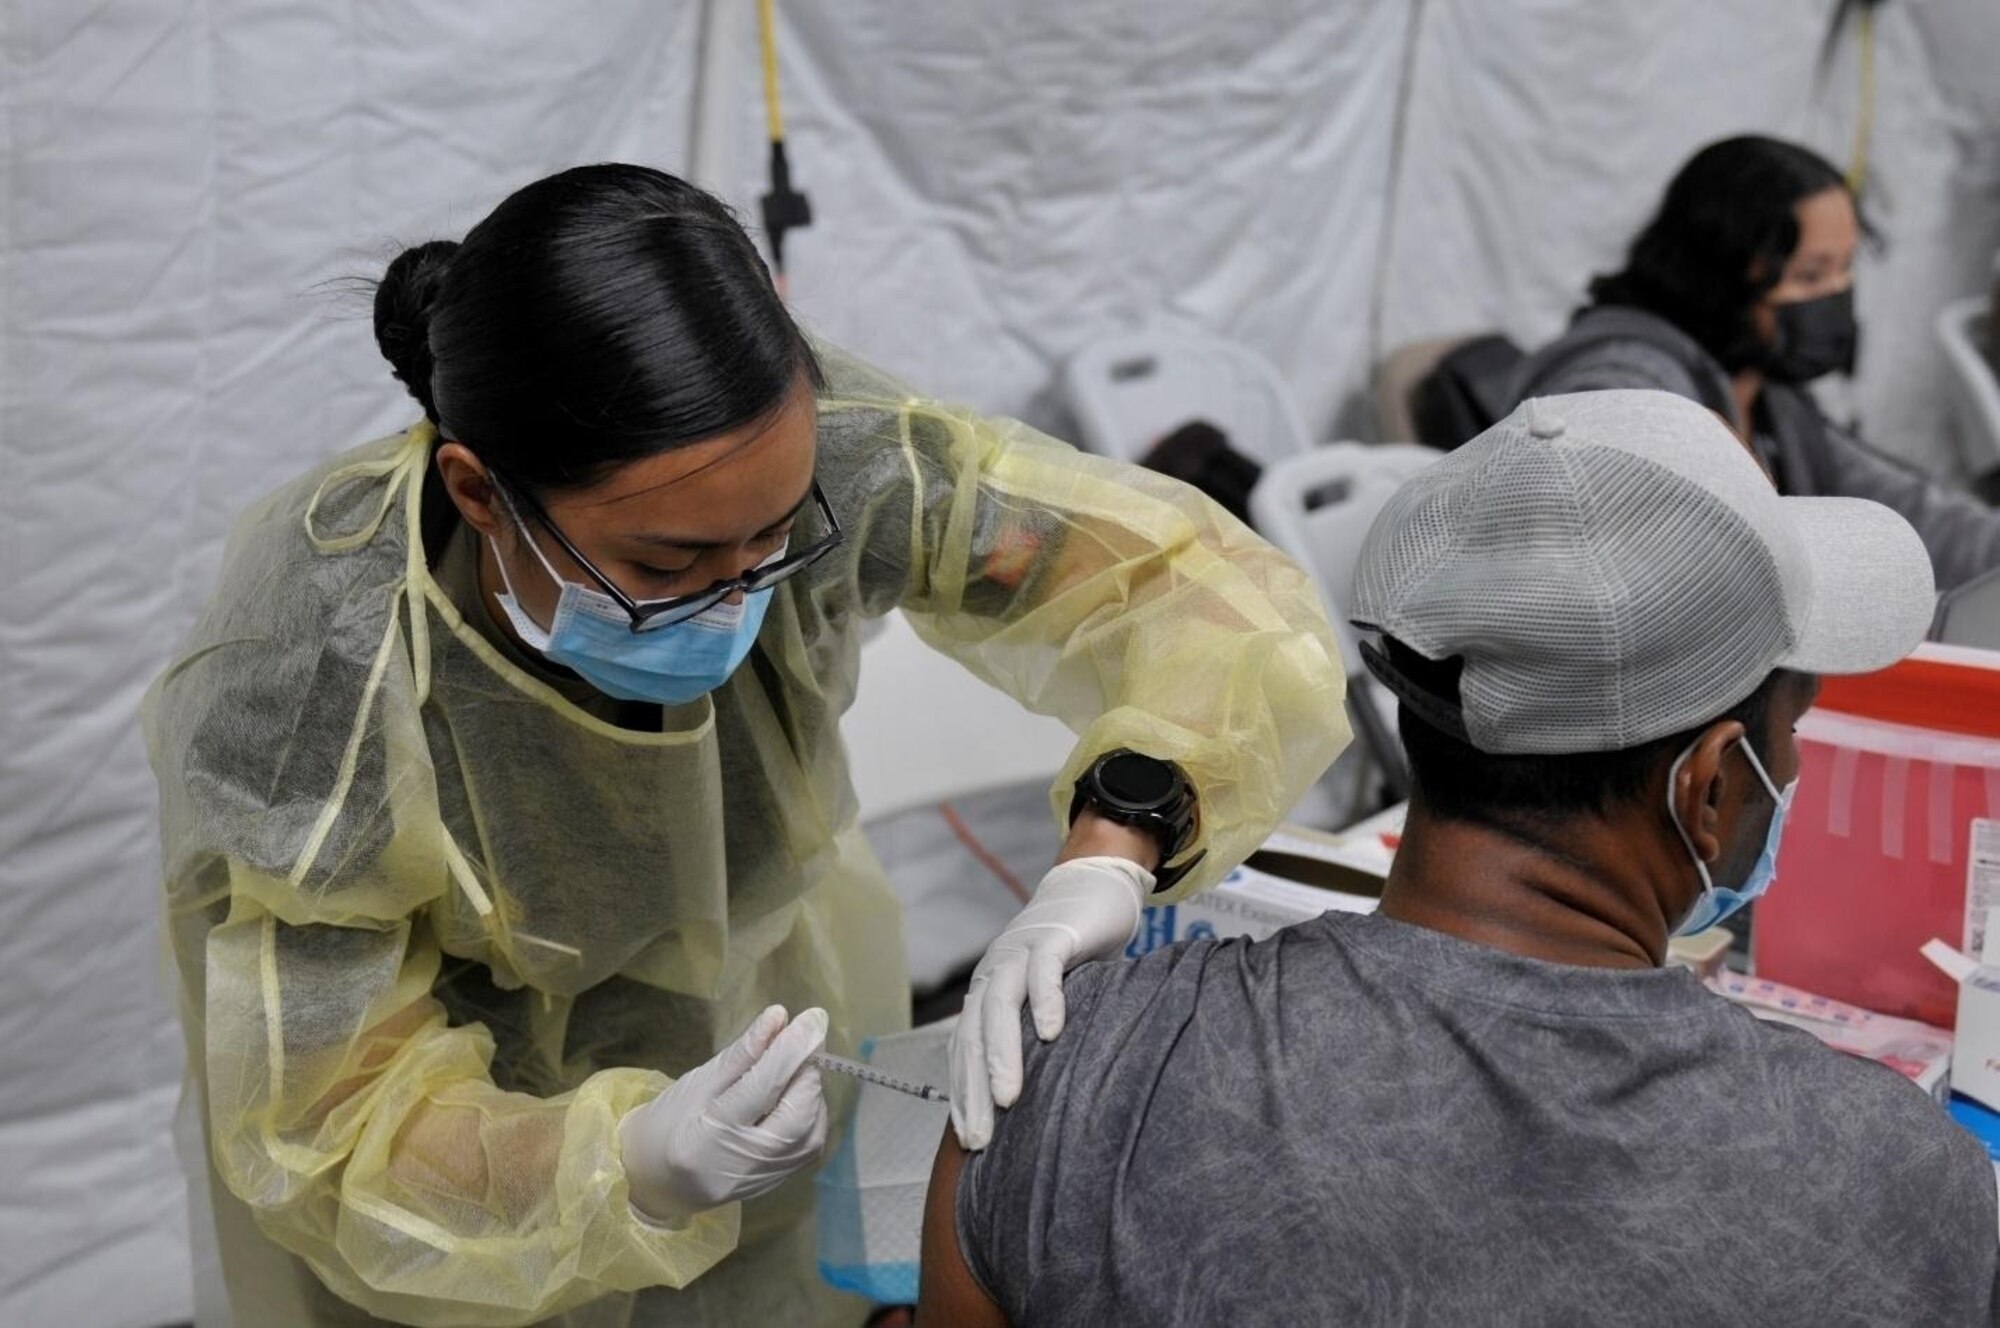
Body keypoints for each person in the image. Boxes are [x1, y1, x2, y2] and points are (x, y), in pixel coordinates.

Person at [143, 164, 1348, 1327]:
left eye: (774, 539)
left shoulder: (826, 459)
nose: (738, 593)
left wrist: (1112, 841)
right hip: (450, 1245)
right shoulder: (315, 679)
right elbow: (329, 1127)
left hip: (763, 1048)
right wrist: (630, 1165)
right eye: (668, 564)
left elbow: (1193, 591)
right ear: (475, 491)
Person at [918, 390, 2000, 1327]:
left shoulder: (1058, 1072)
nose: (1794, 757)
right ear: (1709, 785)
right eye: (1792, 723)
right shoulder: (1897, 1185)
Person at [1512, 134, 2000, 591]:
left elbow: (1901, 513)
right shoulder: (1623, 391)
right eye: (1810, 275)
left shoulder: (1767, 396)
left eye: (1845, 267)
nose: (1837, 294)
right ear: (1721, 273)